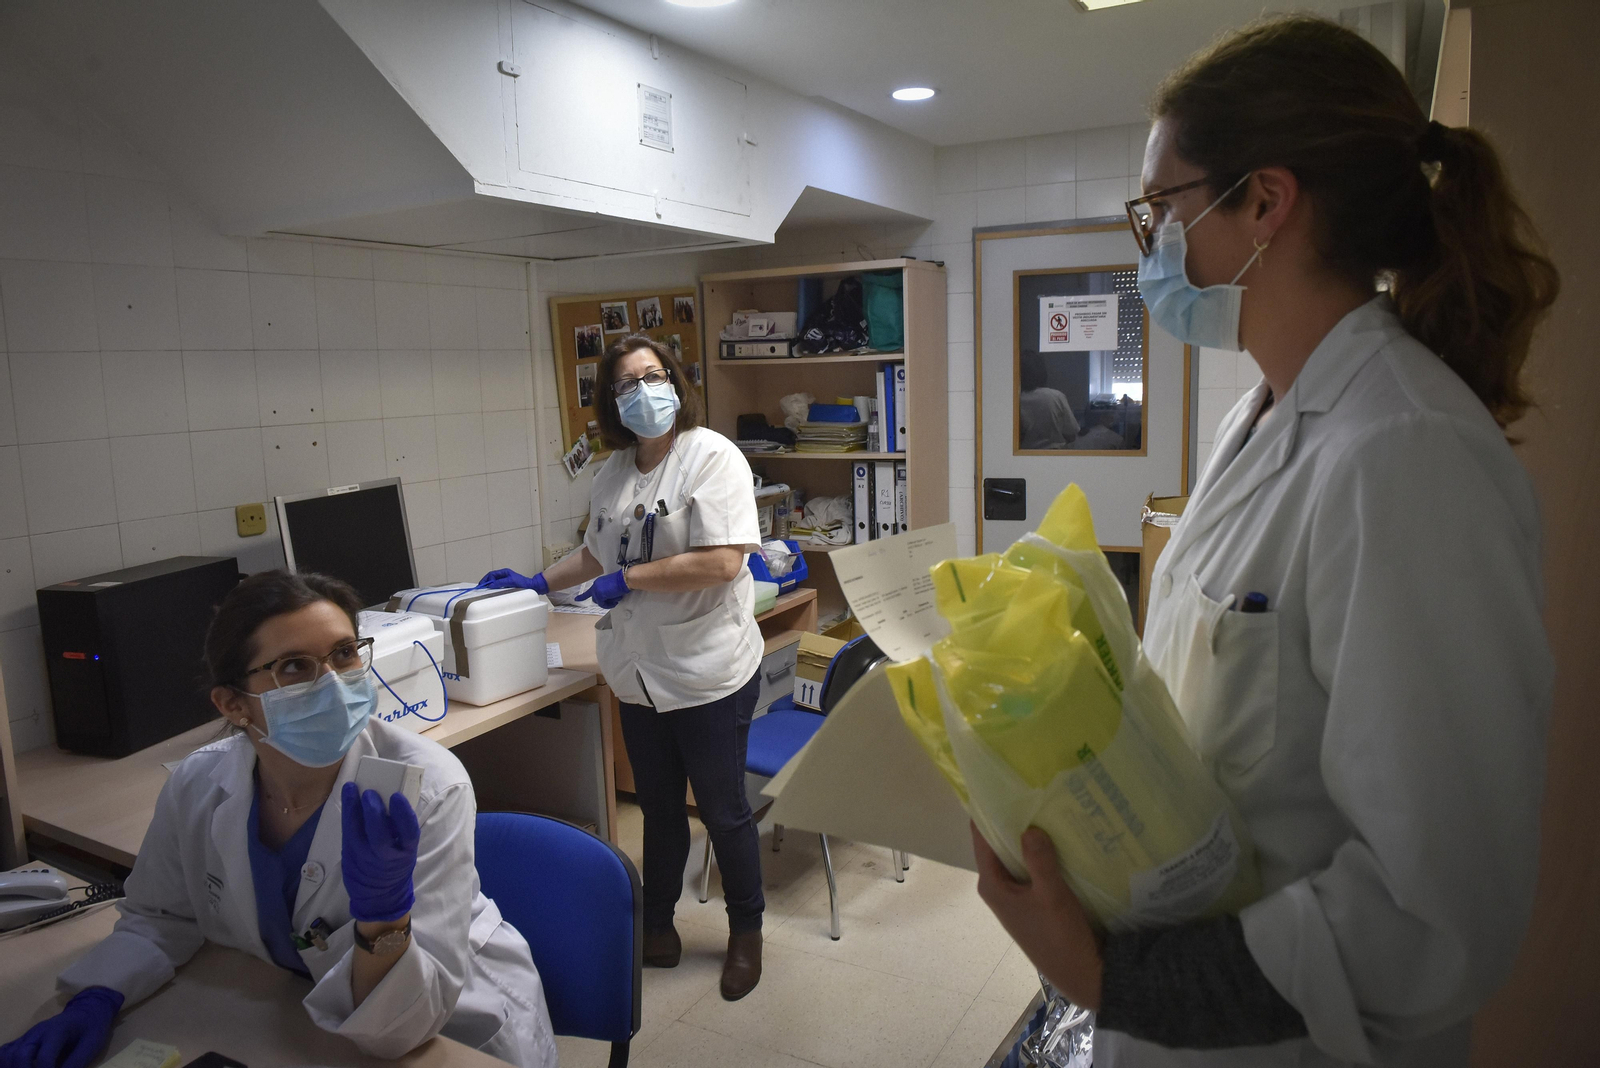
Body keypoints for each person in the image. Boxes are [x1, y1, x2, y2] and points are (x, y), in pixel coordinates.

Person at [974, 15, 1558, 1068]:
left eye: (1160, 209)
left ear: (1263, 204)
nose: (1148, 245)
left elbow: (1434, 914)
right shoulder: (1262, 418)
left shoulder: (1406, 455)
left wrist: (1114, 978)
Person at [1, 571, 557, 1068]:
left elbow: (401, 1031)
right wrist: (99, 994)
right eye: (295, 666)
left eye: (344, 654)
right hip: (287, 1014)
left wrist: (382, 919)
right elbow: (161, 917)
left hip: (450, 1031)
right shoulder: (199, 784)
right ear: (232, 704)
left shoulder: (425, 785)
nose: (334, 681)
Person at [480, 334, 767, 1001]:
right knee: (661, 809)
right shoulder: (612, 471)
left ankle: (745, 934)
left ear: (676, 381)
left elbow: (726, 561)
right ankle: (659, 926)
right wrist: (536, 583)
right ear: (610, 399)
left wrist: (631, 578)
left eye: (653, 376)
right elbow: (593, 553)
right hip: (637, 673)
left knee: (723, 811)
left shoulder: (711, 456)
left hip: (707, 669)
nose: (642, 391)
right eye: (626, 383)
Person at [1019, 351, 1079, 449]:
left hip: (1022, 455)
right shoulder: (1055, 396)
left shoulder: (1015, 400)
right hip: (1055, 455)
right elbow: (1071, 433)